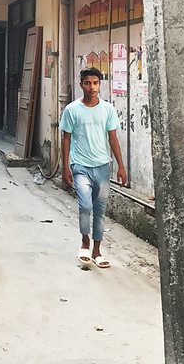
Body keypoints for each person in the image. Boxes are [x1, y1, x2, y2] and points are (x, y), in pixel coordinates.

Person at [60, 67, 127, 268]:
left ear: (100, 85)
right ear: (81, 84)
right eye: (88, 83)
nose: (92, 87)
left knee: (100, 209)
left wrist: (121, 166)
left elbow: (113, 139)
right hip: (80, 166)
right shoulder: (72, 110)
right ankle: (84, 241)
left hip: (102, 167)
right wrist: (65, 167)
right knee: (85, 206)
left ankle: (97, 251)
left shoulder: (108, 109)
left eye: (95, 83)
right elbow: (66, 139)